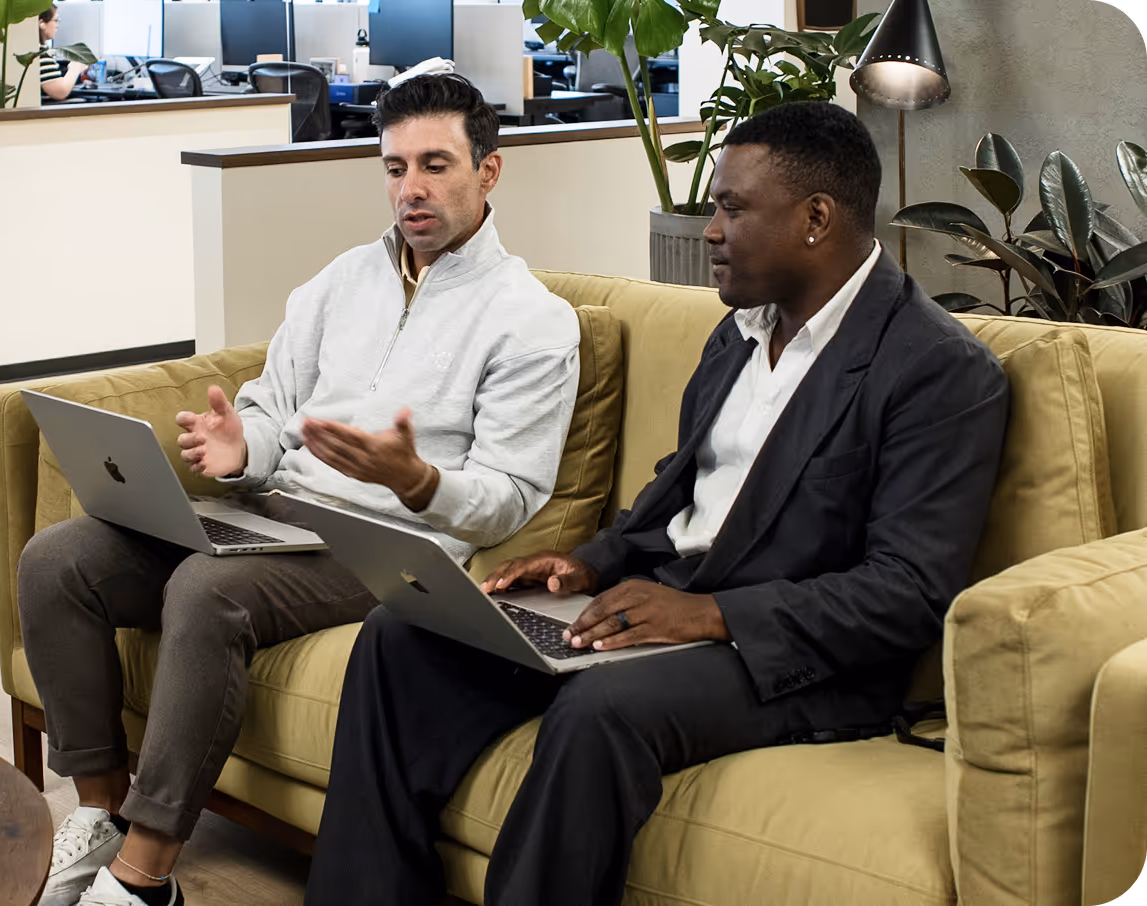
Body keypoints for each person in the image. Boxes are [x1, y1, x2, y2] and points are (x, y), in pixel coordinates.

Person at [304, 101, 1011, 906]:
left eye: (732, 208)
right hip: (670, 610)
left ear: (817, 218)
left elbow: (911, 593)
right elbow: (679, 492)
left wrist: (714, 618)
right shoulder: (740, 331)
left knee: (599, 707)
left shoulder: (937, 369)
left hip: (799, 657)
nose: (710, 229)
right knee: (405, 635)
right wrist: (589, 561)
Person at [17, 74, 580, 906]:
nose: (411, 189)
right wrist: (244, 444)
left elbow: (509, 495)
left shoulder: (532, 320)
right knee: (58, 560)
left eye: (435, 165)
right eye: (394, 168)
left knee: (208, 591)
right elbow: (272, 407)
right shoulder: (341, 280)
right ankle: (98, 811)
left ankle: (143, 876)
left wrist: (418, 481)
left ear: (489, 171)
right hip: (269, 513)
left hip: (382, 542)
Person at [38, 5, 88, 102]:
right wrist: (75, 67)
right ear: (42, 24)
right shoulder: (40, 54)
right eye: (55, 20)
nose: (58, 25)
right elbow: (60, 92)